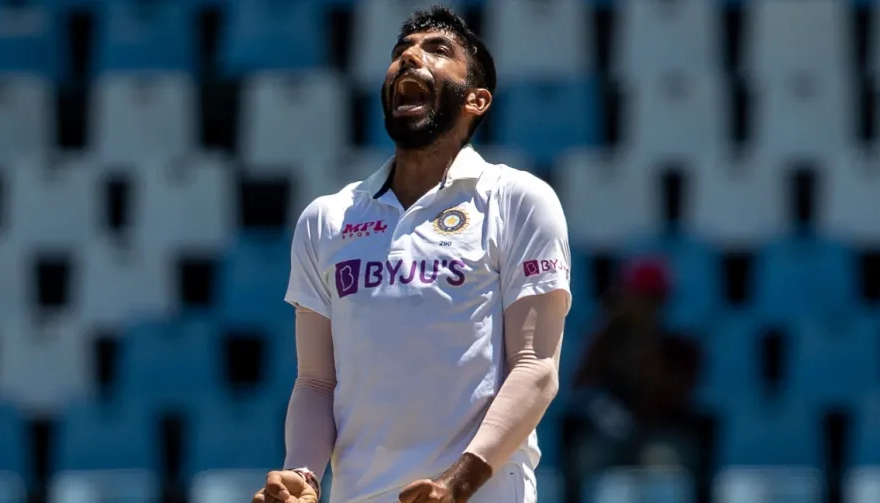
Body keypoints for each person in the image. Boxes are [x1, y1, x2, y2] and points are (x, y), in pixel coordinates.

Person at [252, 6, 571, 503]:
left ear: (476, 100)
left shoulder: (516, 200)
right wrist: (303, 476)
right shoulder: (326, 218)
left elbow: (535, 367)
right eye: (401, 50)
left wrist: (457, 484)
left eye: (436, 50)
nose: (409, 57)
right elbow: (316, 383)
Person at [570, 258, 702, 495]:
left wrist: (648, 344)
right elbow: (580, 386)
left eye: (650, 300)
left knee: (666, 469)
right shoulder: (607, 339)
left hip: (661, 434)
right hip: (608, 436)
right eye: (635, 298)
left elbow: (673, 400)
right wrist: (607, 329)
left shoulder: (680, 347)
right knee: (585, 460)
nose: (640, 307)